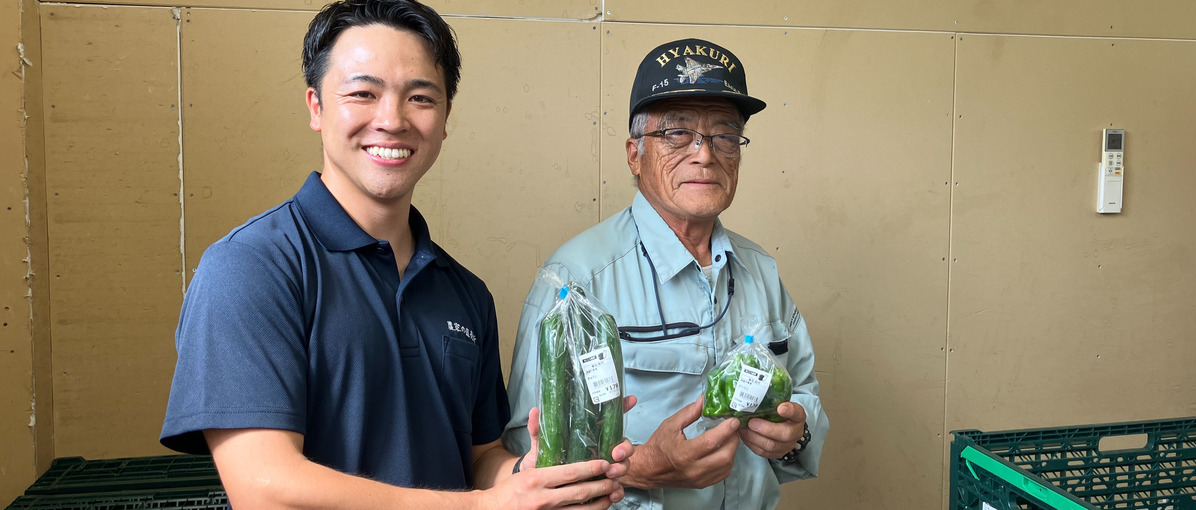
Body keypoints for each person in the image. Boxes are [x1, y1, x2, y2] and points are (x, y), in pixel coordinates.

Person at [159, 0, 631, 507]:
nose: (392, 119)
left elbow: (479, 459)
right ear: (316, 107)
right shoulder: (251, 267)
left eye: (420, 98)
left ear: (445, 119)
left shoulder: (465, 292)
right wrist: (481, 507)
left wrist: (528, 475)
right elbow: (265, 490)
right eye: (363, 93)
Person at [503, 38, 829, 509]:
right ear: (634, 155)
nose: (705, 155)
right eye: (677, 133)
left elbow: (805, 398)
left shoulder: (761, 271)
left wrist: (794, 434)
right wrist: (639, 465)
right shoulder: (578, 280)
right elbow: (525, 450)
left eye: (725, 136)